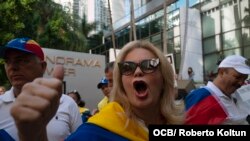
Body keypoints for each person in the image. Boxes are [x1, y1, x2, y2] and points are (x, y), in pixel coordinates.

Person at [10, 40, 184, 141]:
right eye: (128, 67)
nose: (138, 71)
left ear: (164, 79)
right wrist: (33, 136)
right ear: (122, 84)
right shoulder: (95, 133)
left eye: (149, 65)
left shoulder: (183, 125)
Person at [0, 37, 82, 140]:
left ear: (42, 67)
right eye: (7, 62)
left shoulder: (67, 104)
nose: (12, 67)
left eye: (21, 60)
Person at [185, 55, 250, 125]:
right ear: (221, 72)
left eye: (244, 79)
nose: (241, 83)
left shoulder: (235, 96)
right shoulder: (201, 96)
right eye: (237, 77)